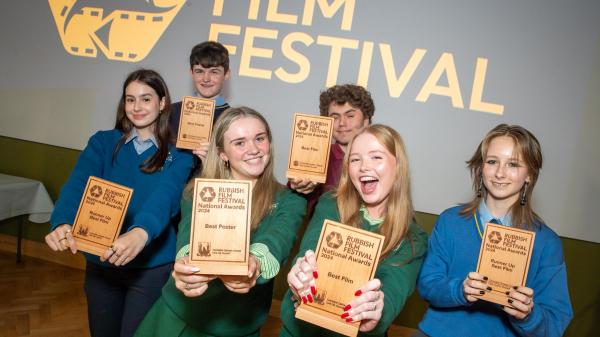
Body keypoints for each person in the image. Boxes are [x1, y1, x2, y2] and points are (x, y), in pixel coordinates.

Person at [45, 69, 194, 337]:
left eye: (146, 99)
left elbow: (166, 197)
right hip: (101, 264)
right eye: (130, 99)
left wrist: (141, 232)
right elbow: (78, 184)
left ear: (162, 104)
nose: (137, 107)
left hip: (151, 268)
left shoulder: (180, 155)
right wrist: (63, 221)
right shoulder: (102, 142)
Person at [135, 107, 307, 337]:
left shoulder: (290, 199)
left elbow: (278, 238)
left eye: (260, 138)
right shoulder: (198, 190)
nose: (254, 149)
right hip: (178, 318)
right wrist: (187, 265)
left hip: (238, 325)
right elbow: (189, 235)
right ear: (222, 153)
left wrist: (253, 263)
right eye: (239, 142)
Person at [417, 124, 573, 337]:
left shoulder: (546, 242)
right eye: (492, 162)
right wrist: (460, 290)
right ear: (481, 168)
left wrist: (528, 314)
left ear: (529, 174)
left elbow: (554, 325)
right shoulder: (451, 221)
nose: (500, 173)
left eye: (513, 164)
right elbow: (427, 283)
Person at [280, 124, 428, 336]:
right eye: (355, 159)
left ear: (399, 167)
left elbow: (394, 290)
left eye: (376, 157)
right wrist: (301, 274)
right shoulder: (330, 204)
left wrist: (376, 313)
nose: (363, 167)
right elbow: (310, 250)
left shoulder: (414, 238)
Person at [289, 84, 374, 200]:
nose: (342, 123)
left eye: (350, 115)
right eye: (335, 117)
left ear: (365, 120)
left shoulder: (381, 159)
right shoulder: (315, 156)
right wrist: (297, 185)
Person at [169, 41, 231, 165]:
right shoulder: (170, 112)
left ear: (226, 74)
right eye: (199, 71)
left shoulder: (234, 119)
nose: (206, 79)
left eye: (214, 72)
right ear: (191, 73)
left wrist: (215, 160)